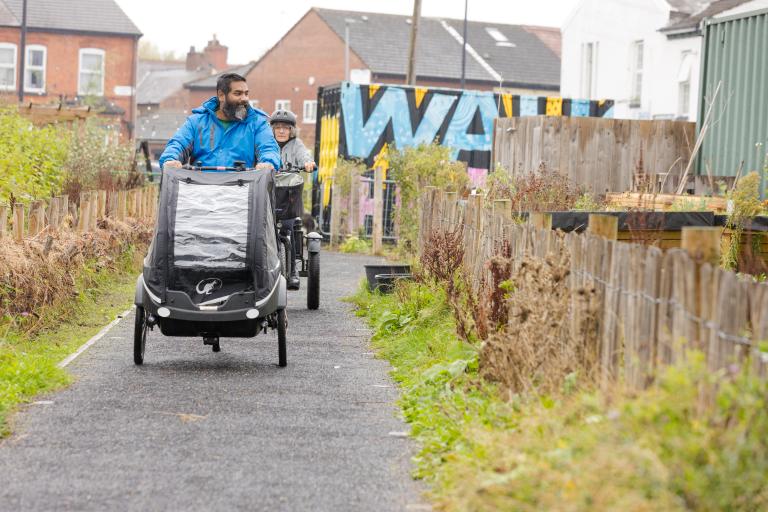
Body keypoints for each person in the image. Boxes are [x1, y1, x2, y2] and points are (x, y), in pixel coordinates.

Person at [159, 73, 280, 172]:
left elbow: (268, 147)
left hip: (242, 193)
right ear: (221, 95)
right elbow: (178, 143)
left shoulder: (258, 123)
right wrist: (170, 159)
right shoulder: (196, 122)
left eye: (246, 93)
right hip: (200, 193)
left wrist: (268, 162)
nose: (244, 98)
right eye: (238, 93)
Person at [271, 109, 315, 290]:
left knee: (288, 227)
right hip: (269, 191)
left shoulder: (296, 144)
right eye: (278, 127)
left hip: (288, 195)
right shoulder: (266, 143)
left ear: (291, 130)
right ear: (272, 129)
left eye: (285, 128)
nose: (281, 131)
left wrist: (308, 163)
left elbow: (305, 155)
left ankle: (293, 272)